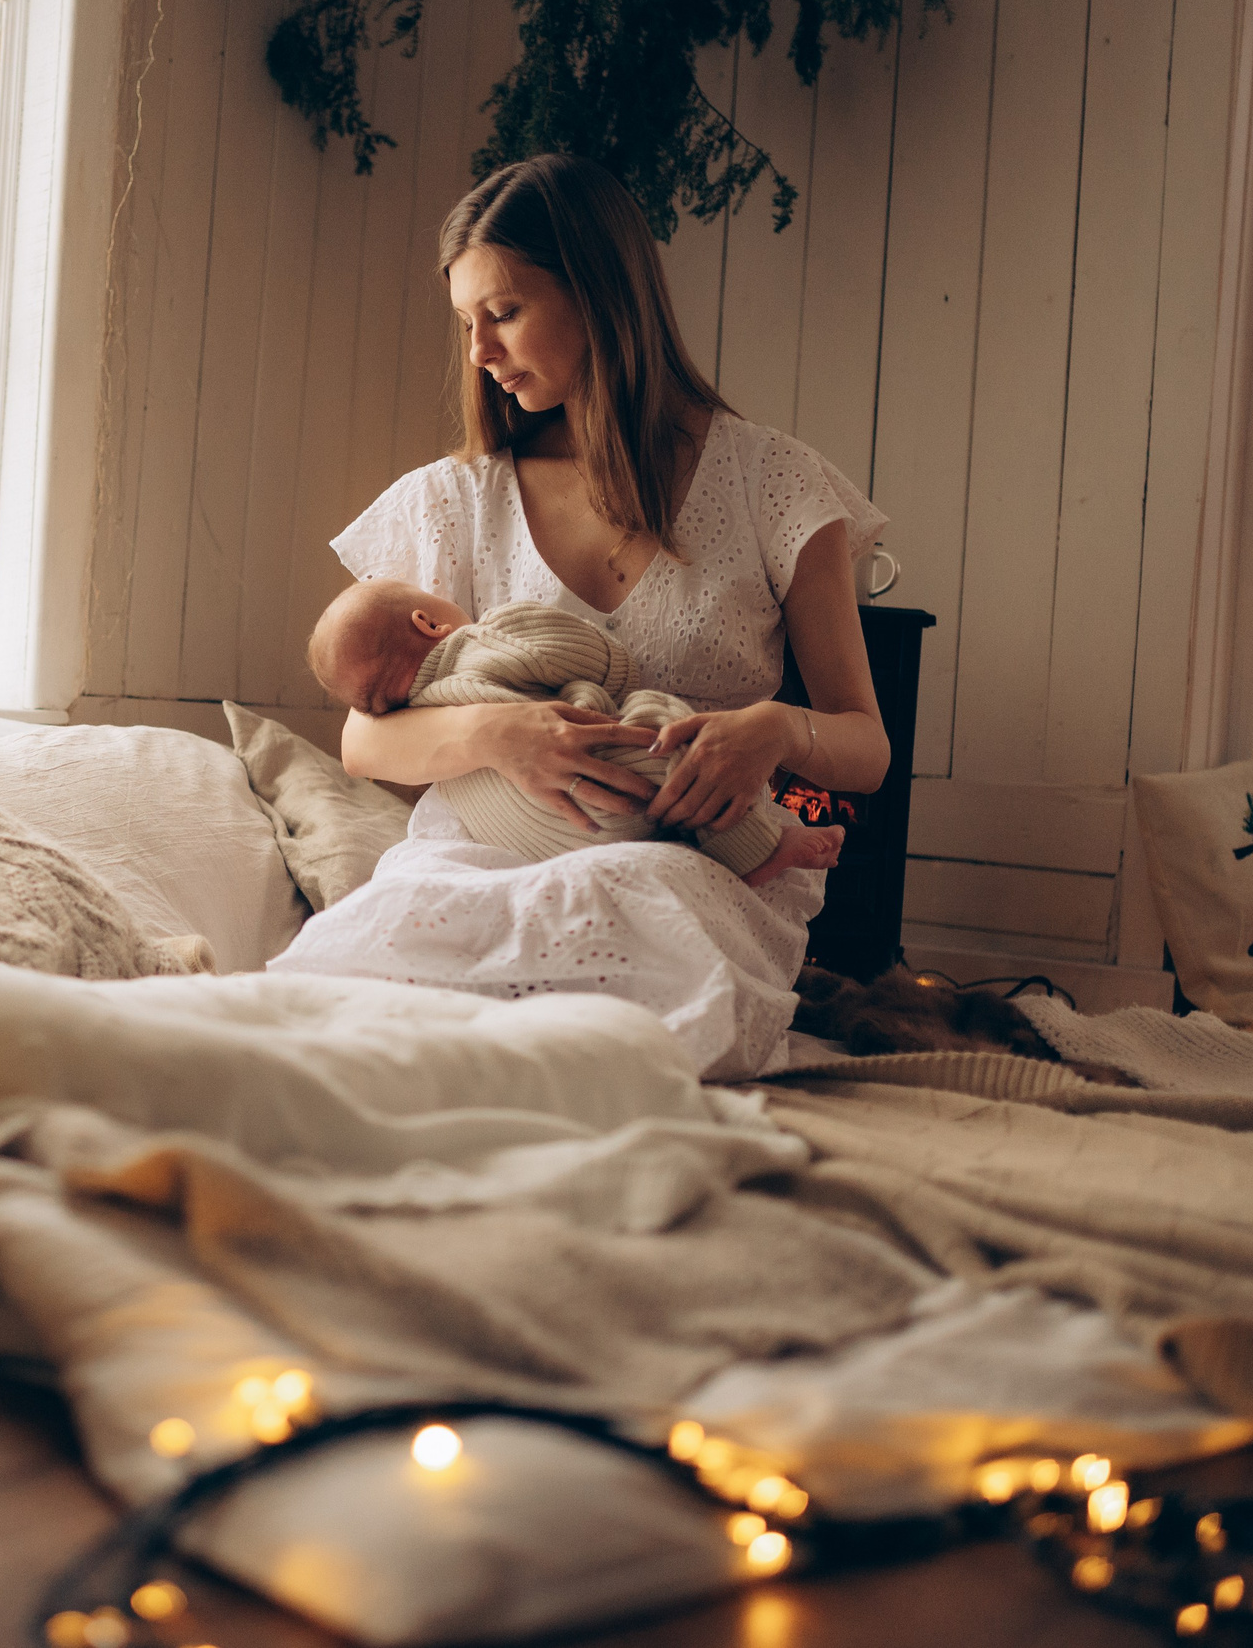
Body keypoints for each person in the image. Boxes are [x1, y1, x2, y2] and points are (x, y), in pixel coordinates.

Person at [265, 153, 890, 1078]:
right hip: (476, 857)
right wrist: (497, 732)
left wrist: (772, 732)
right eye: (466, 323)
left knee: (626, 961)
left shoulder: (776, 484)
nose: (478, 350)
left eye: (504, 313)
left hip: (695, 862)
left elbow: (863, 747)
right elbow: (366, 741)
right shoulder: (452, 500)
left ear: (602, 293)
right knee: (347, 1015)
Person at [305, 580, 844, 887]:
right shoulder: (483, 640)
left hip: (542, 848)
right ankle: (757, 852)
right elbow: (596, 656)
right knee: (665, 735)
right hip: (613, 786)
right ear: (427, 622)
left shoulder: (414, 713)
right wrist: (612, 672)